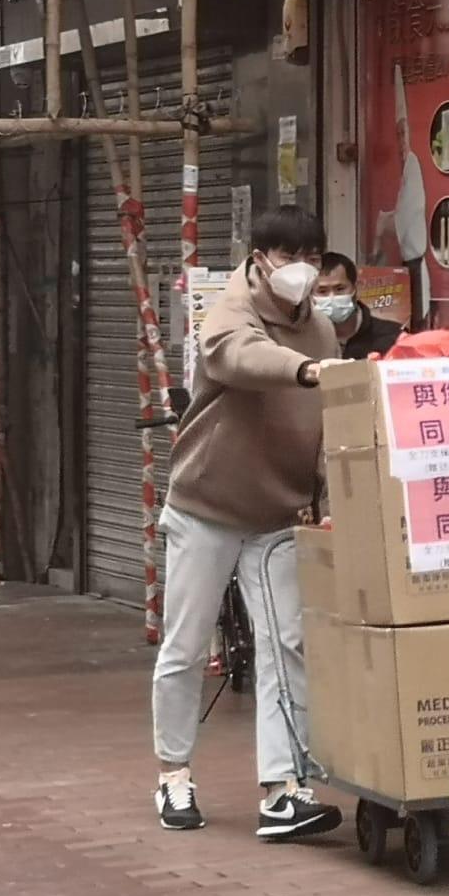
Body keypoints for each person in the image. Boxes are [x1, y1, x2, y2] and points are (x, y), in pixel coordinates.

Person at [152, 206, 342, 840]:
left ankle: (284, 789)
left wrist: (322, 490)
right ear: (260, 259)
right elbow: (240, 359)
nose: (303, 270)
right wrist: (306, 371)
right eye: (289, 256)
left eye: (312, 257)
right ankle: (173, 774)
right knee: (184, 646)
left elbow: (325, 424)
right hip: (206, 507)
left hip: (276, 512)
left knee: (287, 644)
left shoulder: (321, 332)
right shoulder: (229, 312)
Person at [314, 252, 404, 360]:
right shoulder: (304, 339)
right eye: (322, 291)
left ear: (355, 288)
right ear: (310, 295)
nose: (332, 297)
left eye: (340, 289)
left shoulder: (393, 336)